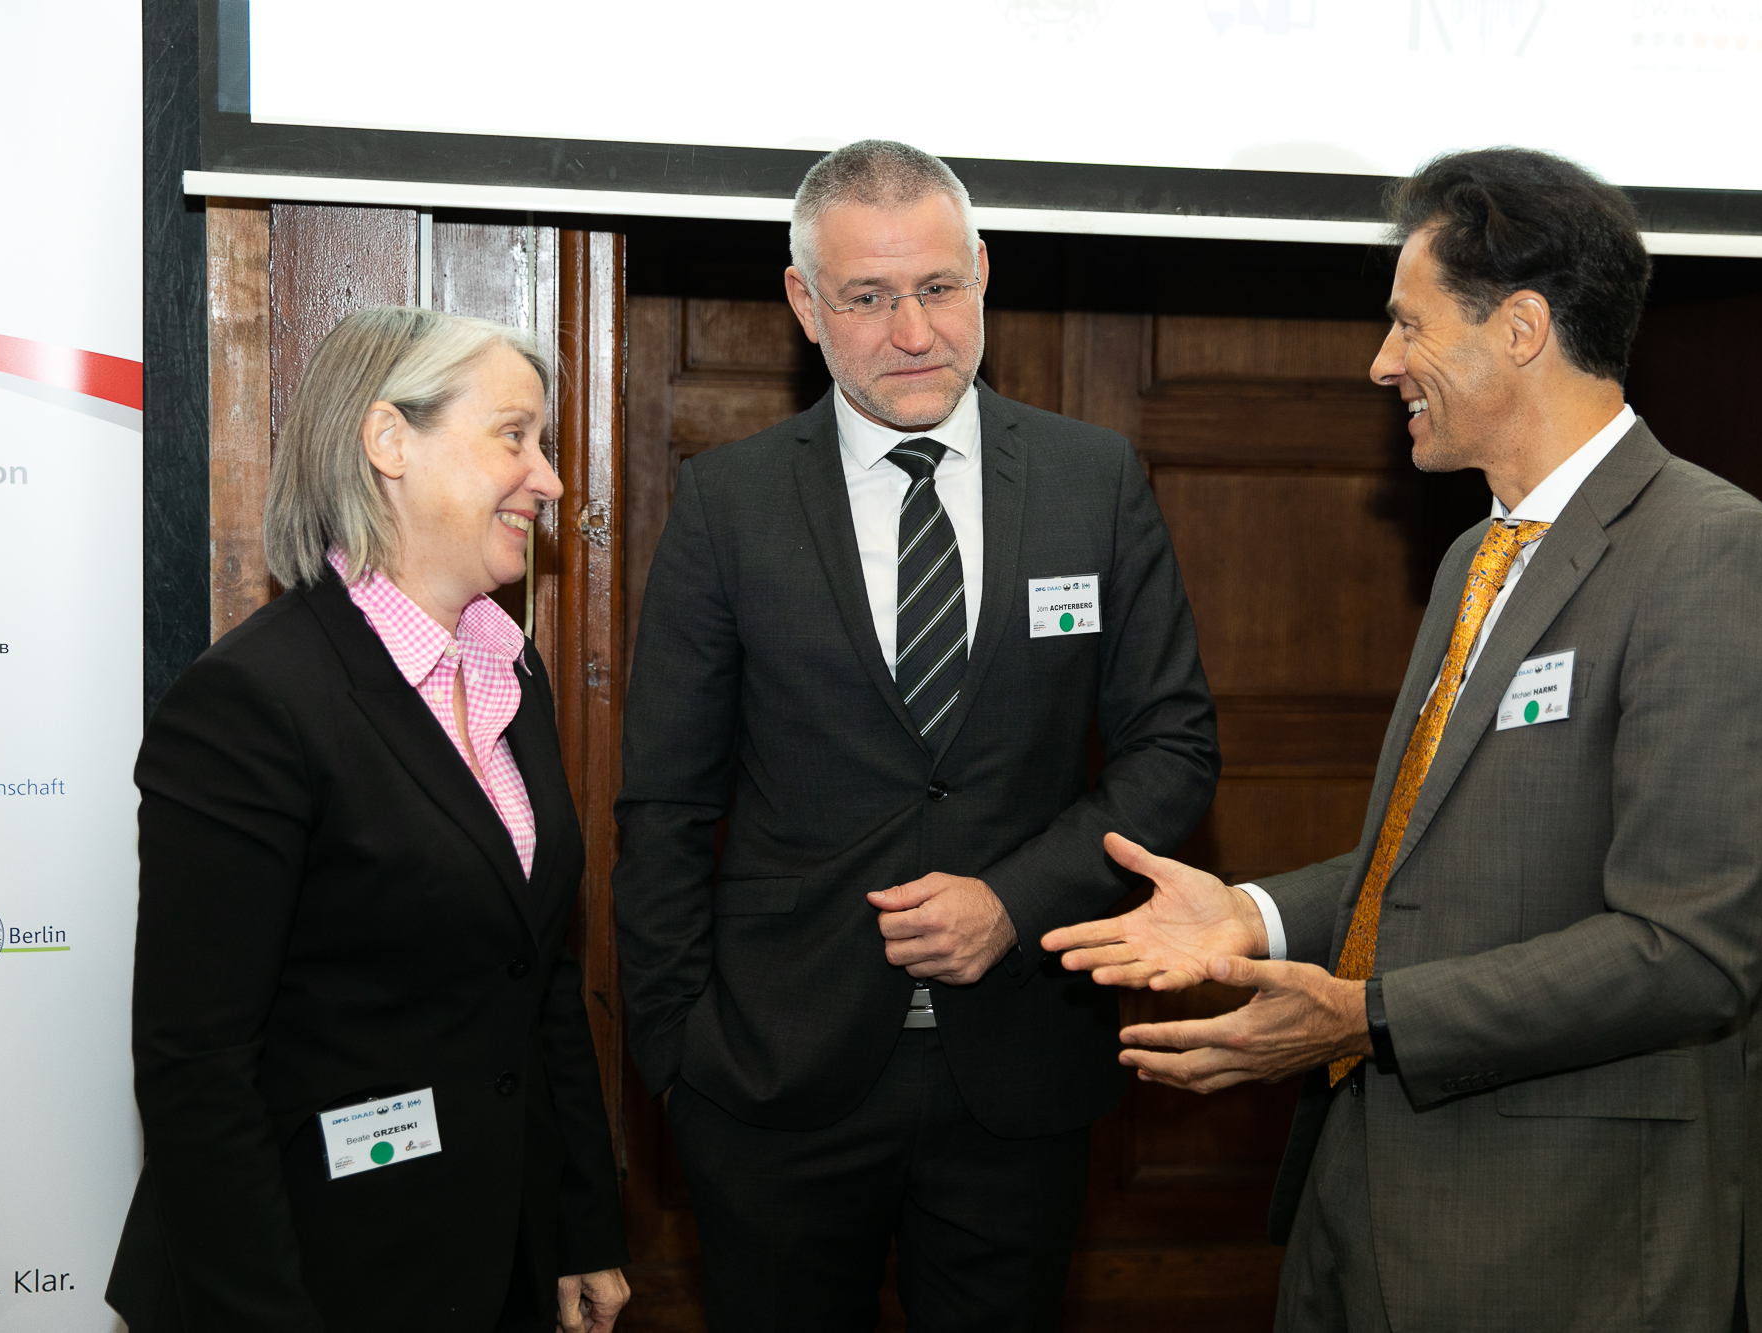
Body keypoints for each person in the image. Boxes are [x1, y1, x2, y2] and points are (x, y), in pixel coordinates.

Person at [1045, 148, 1762, 1333]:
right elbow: (1435, 871)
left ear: (1518, 328)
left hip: (1569, 1244)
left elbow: (1688, 946)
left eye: (1406, 326)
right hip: (1366, 1205)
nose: (1380, 363)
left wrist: (1367, 1018)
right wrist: (1247, 916)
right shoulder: (1476, 557)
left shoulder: (1712, 553)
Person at [612, 139, 1219, 1331]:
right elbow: (664, 808)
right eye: (867, 297)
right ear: (803, 302)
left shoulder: (1089, 480)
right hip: (774, 1080)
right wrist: (676, 1064)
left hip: (1021, 1072)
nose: (912, 332)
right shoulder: (726, 504)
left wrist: (1013, 897)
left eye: (939, 289)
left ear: (982, 274)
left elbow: (1172, 750)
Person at [107, 308, 630, 1333]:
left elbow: (540, 976)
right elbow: (194, 1066)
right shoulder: (252, 701)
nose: (551, 480)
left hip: (494, 1259)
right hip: (314, 1273)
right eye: (513, 436)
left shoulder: (507, 666)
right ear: (391, 442)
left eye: (546, 445)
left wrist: (581, 1223)